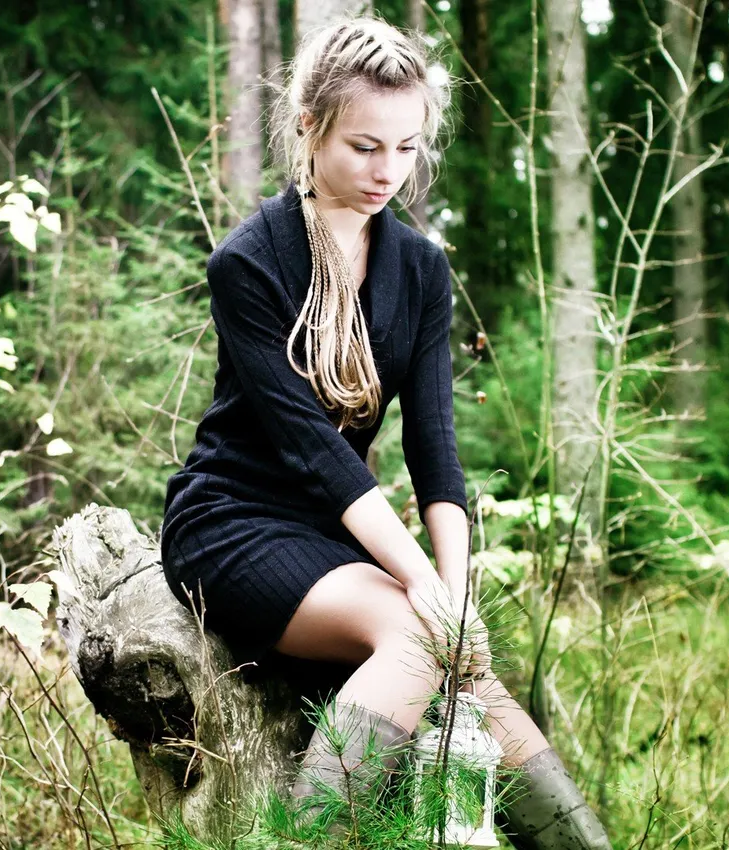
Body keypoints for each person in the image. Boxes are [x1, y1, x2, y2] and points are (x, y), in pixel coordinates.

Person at [159, 15, 610, 849]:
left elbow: (435, 451)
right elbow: (310, 449)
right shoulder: (249, 263)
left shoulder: (420, 267)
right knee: (416, 631)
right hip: (232, 521)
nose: (387, 172)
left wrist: (458, 593)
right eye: (366, 146)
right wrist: (428, 599)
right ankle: (302, 841)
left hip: (334, 534)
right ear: (309, 126)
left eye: (406, 149)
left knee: (473, 683)